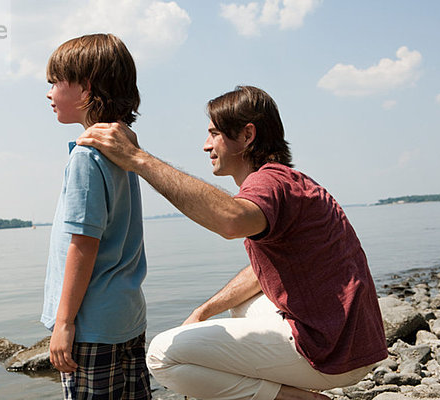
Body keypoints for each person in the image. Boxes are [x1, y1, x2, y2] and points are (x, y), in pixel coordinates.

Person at [76, 85, 388, 400]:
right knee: (240, 305)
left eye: (214, 134)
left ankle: (296, 398)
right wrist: (203, 311)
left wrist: (137, 160)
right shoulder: (290, 182)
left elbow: (231, 220)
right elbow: (260, 273)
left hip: (331, 351)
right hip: (354, 343)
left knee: (161, 355)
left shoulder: (268, 183)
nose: (205, 145)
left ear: (247, 135)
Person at [40, 33, 151, 400]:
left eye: (56, 82)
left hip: (92, 325)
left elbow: (83, 245)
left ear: (86, 89)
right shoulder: (124, 148)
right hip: (126, 316)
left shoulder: (87, 157)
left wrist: (64, 323)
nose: (49, 93)